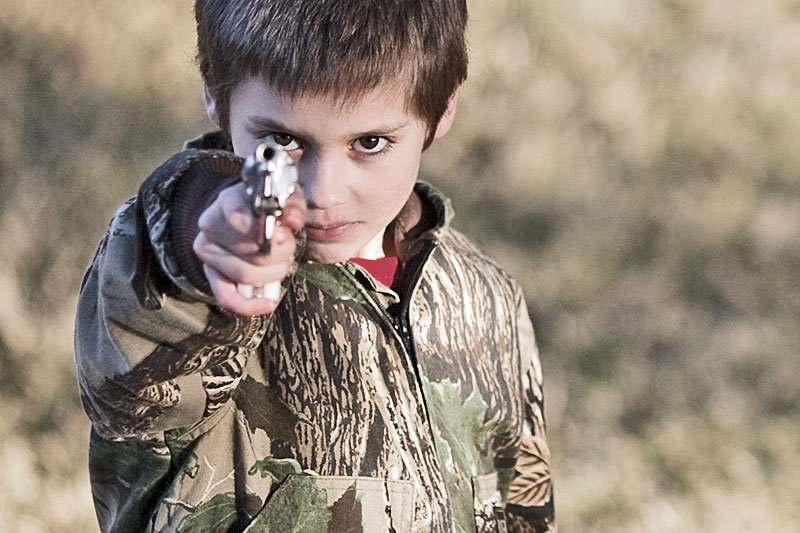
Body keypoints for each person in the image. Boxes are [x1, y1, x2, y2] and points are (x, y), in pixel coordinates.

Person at [74, 0, 556, 531]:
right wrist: (210, 233)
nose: (323, 192)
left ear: (442, 109)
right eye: (281, 142)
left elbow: (523, 503)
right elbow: (140, 353)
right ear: (214, 93)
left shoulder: (487, 297)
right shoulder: (193, 278)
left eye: (370, 143)